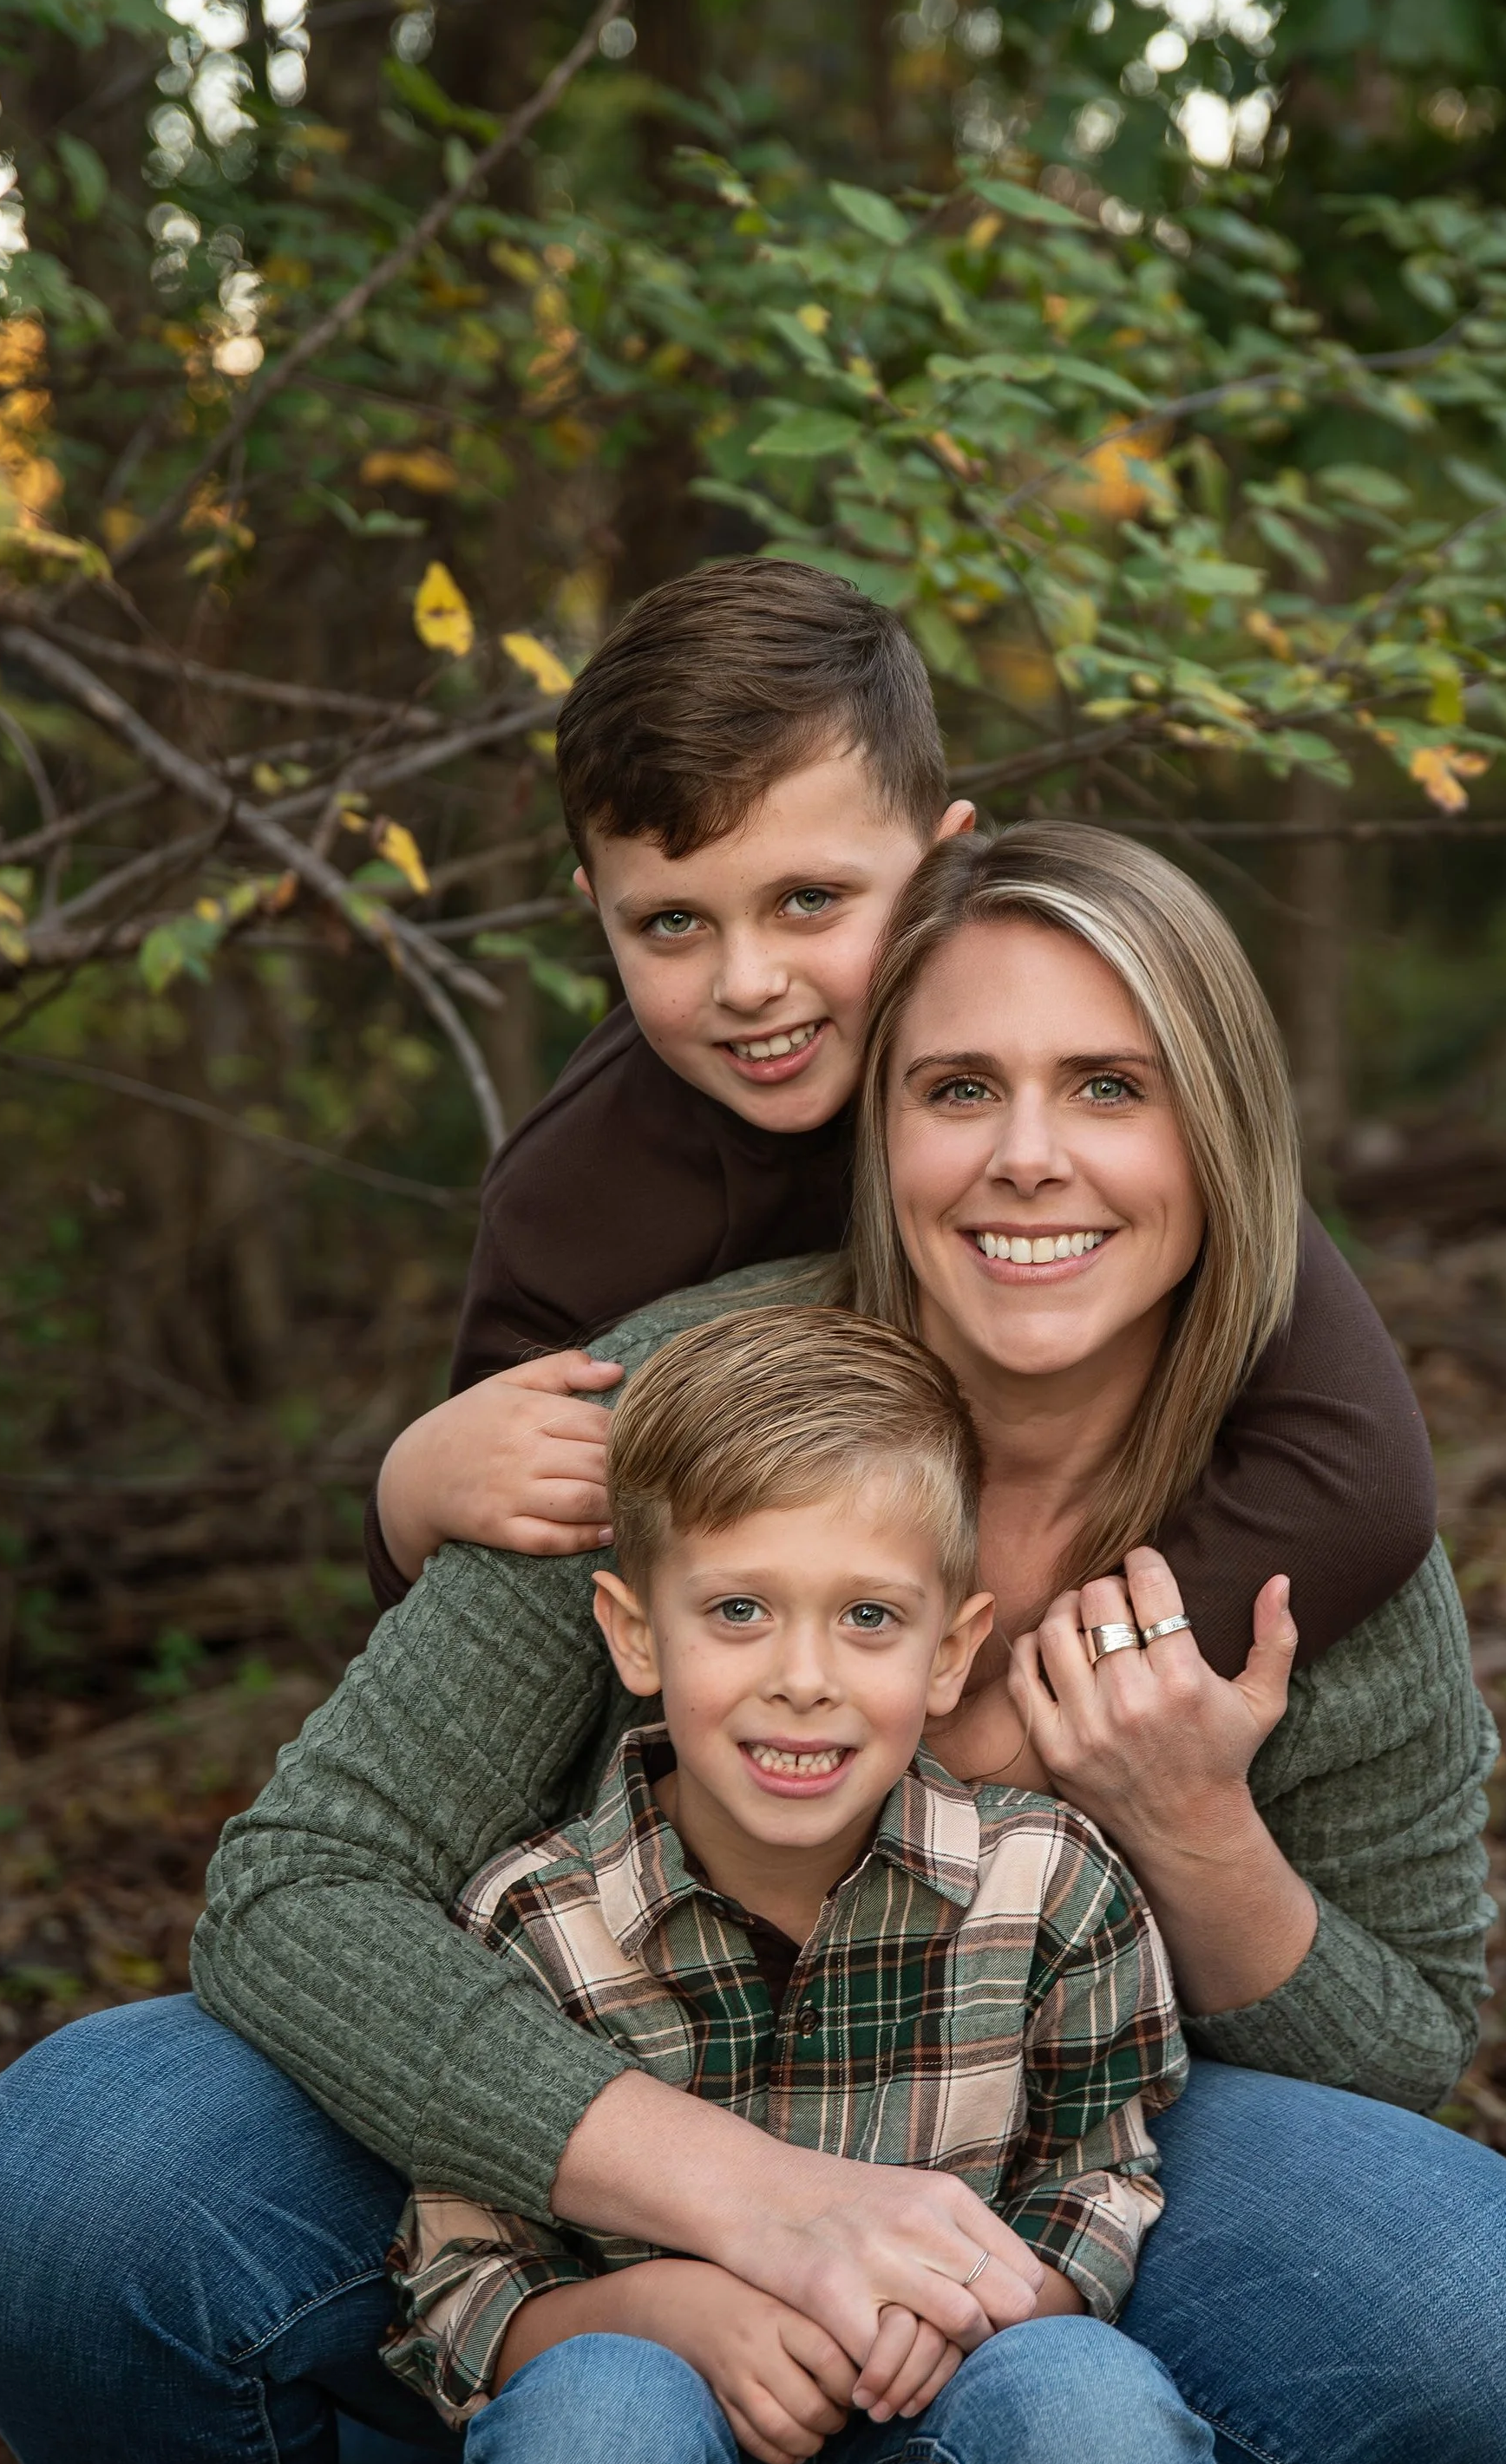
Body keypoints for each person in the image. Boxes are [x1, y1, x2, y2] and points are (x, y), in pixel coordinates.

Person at [0, 825, 1506, 2464]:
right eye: (954, 1089)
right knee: (75, 2174)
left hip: (1018, 2215)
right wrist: (733, 2194)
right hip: (596, 2192)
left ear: (1222, 1139)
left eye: (1110, 1087)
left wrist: (1191, 1831)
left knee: (1499, 2340)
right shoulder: (689, 1397)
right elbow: (294, 1887)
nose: (1027, 1157)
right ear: (878, 1133)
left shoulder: (1313, 1537)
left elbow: (1397, 2056)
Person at [388, 1300, 1218, 2464]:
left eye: (870, 1620)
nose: (805, 1679)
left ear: (956, 1646)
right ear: (635, 1632)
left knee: (1089, 2399)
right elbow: (453, 2284)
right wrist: (662, 2312)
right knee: (596, 2415)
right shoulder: (537, 1927)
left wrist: (993, 2304)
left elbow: (1101, 2178)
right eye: (739, 1612)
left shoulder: (1053, 1890)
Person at [359, 551, 1441, 1687]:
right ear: (600, 916)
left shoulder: (1073, 1075)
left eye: (809, 901)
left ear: (942, 858)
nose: (748, 983)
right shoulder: (576, 1194)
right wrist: (405, 1503)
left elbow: (1363, 1469)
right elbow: (490, 1582)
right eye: (673, 923)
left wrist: (1057, 1705)